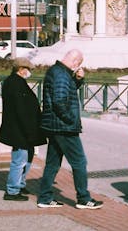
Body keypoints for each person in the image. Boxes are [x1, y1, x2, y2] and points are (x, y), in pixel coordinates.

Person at [37, 49, 103, 209]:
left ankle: (45, 198)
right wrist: (70, 119)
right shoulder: (61, 74)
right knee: (79, 162)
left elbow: (65, 91)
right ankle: (83, 198)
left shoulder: (57, 72)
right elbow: (60, 100)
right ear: (75, 62)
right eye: (78, 65)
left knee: (53, 163)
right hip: (63, 127)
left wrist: (78, 80)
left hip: (54, 126)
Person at [0, 57, 46, 201]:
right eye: (28, 69)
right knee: (19, 160)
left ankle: (20, 183)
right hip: (20, 130)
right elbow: (21, 110)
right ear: (21, 69)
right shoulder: (15, 84)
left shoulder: (15, 82)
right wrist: (30, 131)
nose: (29, 72)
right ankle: (12, 190)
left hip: (22, 129)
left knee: (26, 157)